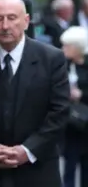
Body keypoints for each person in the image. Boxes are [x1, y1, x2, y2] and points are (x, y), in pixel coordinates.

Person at [0, 0, 70, 187]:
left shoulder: (51, 59)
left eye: (12, 18)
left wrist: (27, 151)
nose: (5, 26)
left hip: (39, 172)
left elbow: (59, 112)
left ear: (26, 21)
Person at [59, 26, 88, 187]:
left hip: (85, 124)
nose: (63, 49)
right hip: (70, 125)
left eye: (67, 46)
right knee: (69, 167)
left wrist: (81, 94)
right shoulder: (62, 64)